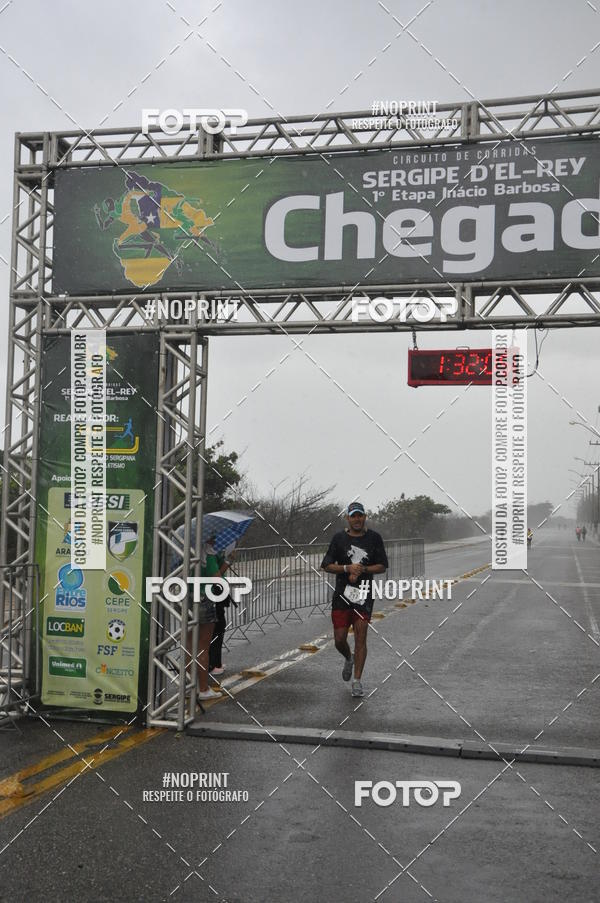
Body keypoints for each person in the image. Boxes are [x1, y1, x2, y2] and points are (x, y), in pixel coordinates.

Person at [321, 502, 388, 698]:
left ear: (365, 517)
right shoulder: (338, 538)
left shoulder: (374, 538)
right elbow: (326, 565)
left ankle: (357, 681)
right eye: (353, 516)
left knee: (361, 636)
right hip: (342, 595)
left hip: (363, 595)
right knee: (339, 639)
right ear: (348, 518)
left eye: (360, 516)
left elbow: (383, 566)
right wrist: (346, 568)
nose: (357, 519)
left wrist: (363, 569)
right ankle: (348, 658)